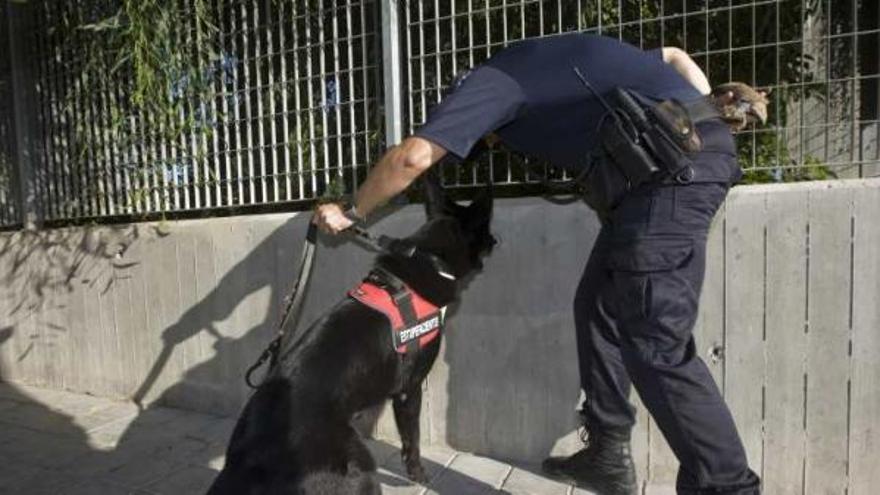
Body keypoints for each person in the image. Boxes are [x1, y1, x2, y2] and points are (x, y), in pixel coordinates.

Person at [314, 33, 767, 495]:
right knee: (597, 308)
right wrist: (706, 110)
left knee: (656, 342)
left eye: (485, 136)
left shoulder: (495, 82)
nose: (490, 140)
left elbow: (412, 157)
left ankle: (727, 487)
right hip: (648, 188)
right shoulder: (544, 64)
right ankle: (607, 454)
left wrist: (351, 210)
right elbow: (674, 55)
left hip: (669, 181)